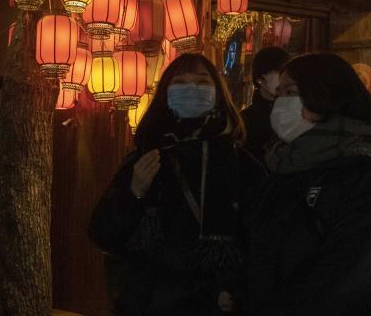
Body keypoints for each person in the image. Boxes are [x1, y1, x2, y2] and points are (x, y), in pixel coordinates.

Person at [244, 53, 371, 315]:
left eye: (291, 92)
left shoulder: (366, 172)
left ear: (324, 95)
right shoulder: (281, 163)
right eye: (279, 93)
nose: (281, 103)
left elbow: (349, 265)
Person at [89, 53, 264, 315]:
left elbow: (265, 239)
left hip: (213, 303)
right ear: (165, 93)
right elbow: (104, 234)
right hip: (149, 302)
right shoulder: (146, 157)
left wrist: (240, 290)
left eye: (203, 82)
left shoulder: (241, 163)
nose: (192, 89)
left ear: (218, 93)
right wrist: (134, 192)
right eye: (181, 82)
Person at [241, 46, 290, 163]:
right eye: (279, 72)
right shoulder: (246, 120)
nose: (285, 79)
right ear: (261, 78)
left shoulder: (298, 112)